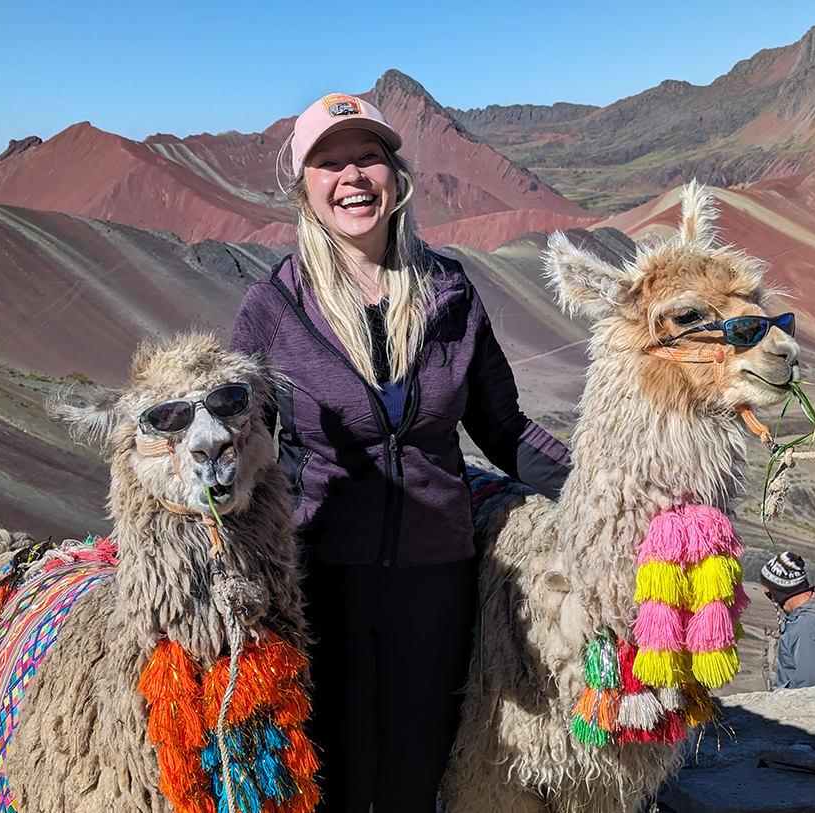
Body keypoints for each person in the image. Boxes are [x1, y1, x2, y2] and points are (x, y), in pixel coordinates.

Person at [228, 93, 572, 812]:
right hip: (321, 580)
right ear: (303, 186)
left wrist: (603, 494)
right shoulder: (273, 307)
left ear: (394, 173)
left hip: (436, 579)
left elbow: (504, 430)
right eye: (330, 161)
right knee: (337, 775)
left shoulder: (448, 291)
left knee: (419, 773)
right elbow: (240, 449)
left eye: (368, 156)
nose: (352, 176)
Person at [760, 551, 815, 690]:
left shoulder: (808, 628)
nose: (772, 600)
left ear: (778, 592)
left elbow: (808, 692)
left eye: (769, 594)